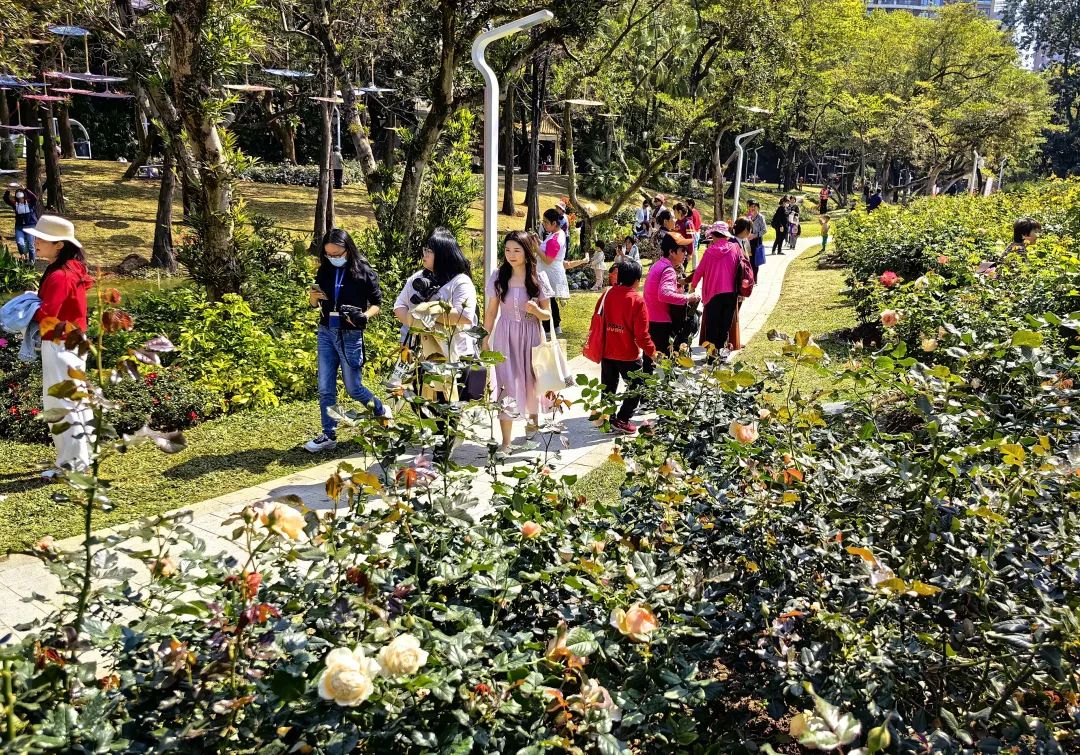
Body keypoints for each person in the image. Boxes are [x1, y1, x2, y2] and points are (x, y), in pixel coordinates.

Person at [394, 228, 480, 462]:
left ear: (443, 254)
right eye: (425, 250)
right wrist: (418, 320)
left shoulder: (460, 282)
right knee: (417, 397)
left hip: (453, 354)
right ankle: (439, 436)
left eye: (429, 251)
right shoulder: (417, 278)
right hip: (421, 353)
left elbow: (464, 316)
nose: (424, 255)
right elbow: (399, 307)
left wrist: (427, 315)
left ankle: (443, 448)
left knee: (447, 402)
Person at [305, 228, 390, 453]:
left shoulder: (363, 272)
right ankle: (329, 434)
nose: (333, 258)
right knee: (325, 387)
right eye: (328, 254)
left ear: (348, 249)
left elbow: (377, 304)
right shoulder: (325, 269)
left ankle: (380, 410)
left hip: (350, 334)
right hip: (326, 331)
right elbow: (315, 304)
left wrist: (365, 316)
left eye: (337, 254)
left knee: (353, 388)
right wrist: (312, 299)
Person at [24, 216, 93, 477]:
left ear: (60, 244)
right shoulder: (71, 268)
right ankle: (79, 459)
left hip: (61, 343)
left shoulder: (60, 275)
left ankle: (72, 465)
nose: (36, 241)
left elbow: (48, 315)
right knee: (74, 401)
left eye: (43, 238)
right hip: (71, 342)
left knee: (61, 404)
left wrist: (23, 309)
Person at [482, 230, 552, 451]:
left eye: (516, 250)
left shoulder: (538, 278)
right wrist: (484, 339)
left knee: (532, 382)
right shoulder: (498, 276)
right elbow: (491, 313)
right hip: (505, 337)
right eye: (507, 250)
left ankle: (532, 424)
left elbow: (547, 315)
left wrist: (536, 310)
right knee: (507, 384)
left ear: (527, 252)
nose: (511, 255)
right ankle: (506, 442)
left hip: (532, 337)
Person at [598, 259, 656, 435]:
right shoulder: (637, 300)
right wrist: (653, 352)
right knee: (637, 386)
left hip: (607, 350)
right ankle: (623, 419)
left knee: (608, 387)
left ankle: (607, 419)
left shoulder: (608, 294)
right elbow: (642, 335)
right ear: (637, 280)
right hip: (627, 354)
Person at [643, 209, 699, 370]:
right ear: (672, 252)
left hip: (651, 319)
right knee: (664, 366)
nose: (686, 253)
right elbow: (664, 294)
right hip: (661, 323)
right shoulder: (668, 270)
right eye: (682, 250)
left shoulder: (659, 265)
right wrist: (688, 297)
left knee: (650, 363)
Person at [691, 221, 740, 355]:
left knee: (712, 325)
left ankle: (712, 355)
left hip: (713, 294)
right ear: (726, 235)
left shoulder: (709, 252)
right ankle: (721, 352)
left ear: (713, 235)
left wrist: (693, 286)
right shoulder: (735, 248)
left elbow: (699, 271)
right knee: (725, 325)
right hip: (731, 293)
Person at [539, 208, 569, 336]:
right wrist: (538, 242)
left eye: (546, 222)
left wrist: (535, 248)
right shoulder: (556, 234)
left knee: (547, 300)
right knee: (549, 299)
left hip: (549, 273)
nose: (544, 224)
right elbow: (547, 248)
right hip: (549, 273)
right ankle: (554, 326)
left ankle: (550, 327)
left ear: (554, 223)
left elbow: (548, 259)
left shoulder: (556, 238)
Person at [3, 182, 39, 263]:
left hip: (30, 226)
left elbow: (34, 198)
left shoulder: (29, 203)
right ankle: (24, 255)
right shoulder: (15, 204)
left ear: (24, 196)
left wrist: (25, 189)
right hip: (19, 227)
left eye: (22, 198)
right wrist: (8, 190)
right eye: (19, 198)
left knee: (31, 245)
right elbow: (6, 199)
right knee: (20, 243)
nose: (20, 200)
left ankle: (32, 262)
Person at [747, 200, 767, 275]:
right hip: (747, 241)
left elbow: (764, 230)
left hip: (756, 241)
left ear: (758, 207)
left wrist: (755, 235)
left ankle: (754, 277)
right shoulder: (748, 216)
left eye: (754, 206)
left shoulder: (760, 217)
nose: (753, 208)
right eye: (751, 206)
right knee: (748, 259)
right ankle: (749, 276)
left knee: (755, 261)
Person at [687, 198, 703, 267]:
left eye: (686, 204)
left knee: (693, 249)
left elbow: (690, 223)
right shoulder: (697, 212)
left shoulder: (691, 213)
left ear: (690, 205)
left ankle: (695, 267)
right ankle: (695, 266)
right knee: (695, 249)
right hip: (697, 232)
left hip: (694, 232)